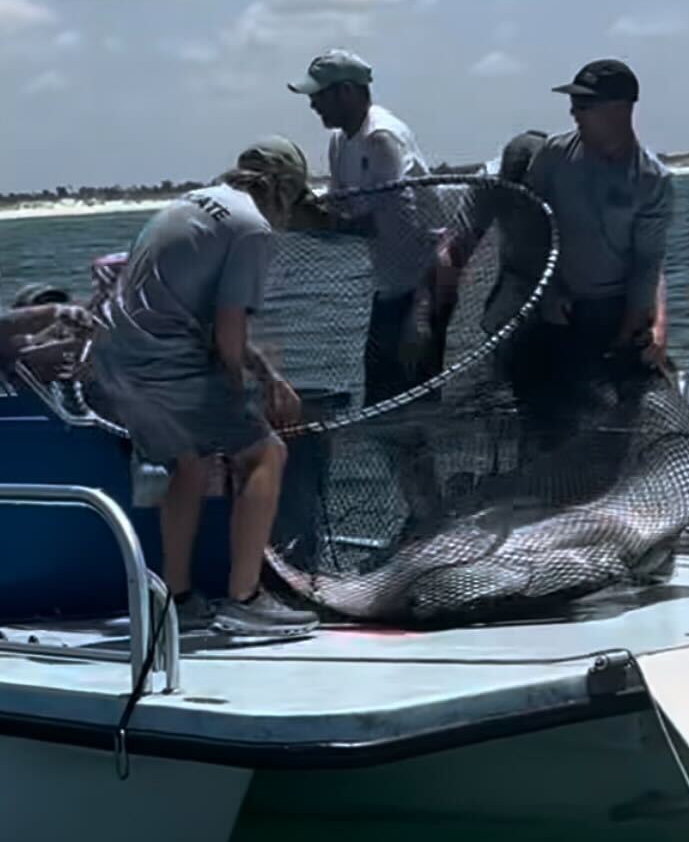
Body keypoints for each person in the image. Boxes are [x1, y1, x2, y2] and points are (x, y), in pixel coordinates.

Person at [90, 138, 317, 636]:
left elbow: (194, 314)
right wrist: (238, 398)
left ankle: (176, 598)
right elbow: (229, 328)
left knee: (187, 464)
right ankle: (246, 599)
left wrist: (267, 374)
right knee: (264, 454)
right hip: (164, 363)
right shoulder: (252, 228)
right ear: (282, 191)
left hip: (112, 358)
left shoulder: (190, 203)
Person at [506, 59, 673, 436]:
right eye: (573, 104)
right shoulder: (553, 155)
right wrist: (547, 289)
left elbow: (648, 262)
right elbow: (526, 228)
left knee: (618, 429)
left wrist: (633, 328)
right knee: (548, 424)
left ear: (620, 110)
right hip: (556, 308)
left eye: (584, 105)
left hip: (613, 310)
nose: (573, 113)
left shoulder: (653, 180)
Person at [287, 50, 452, 405]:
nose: (313, 104)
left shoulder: (382, 137)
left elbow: (400, 224)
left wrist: (327, 225)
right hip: (389, 285)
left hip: (422, 284)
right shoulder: (340, 140)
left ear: (347, 91)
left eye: (319, 95)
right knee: (381, 397)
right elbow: (340, 203)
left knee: (412, 396)